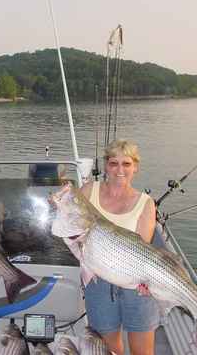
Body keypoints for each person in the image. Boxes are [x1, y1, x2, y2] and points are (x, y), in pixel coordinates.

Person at [79, 139, 159, 355]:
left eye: (127, 164)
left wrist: (147, 281)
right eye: (114, 163)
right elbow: (71, 225)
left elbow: (143, 250)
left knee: (142, 351)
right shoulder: (88, 191)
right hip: (99, 282)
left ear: (136, 167)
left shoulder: (146, 203)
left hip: (136, 286)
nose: (120, 170)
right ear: (105, 165)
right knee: (108, 350)